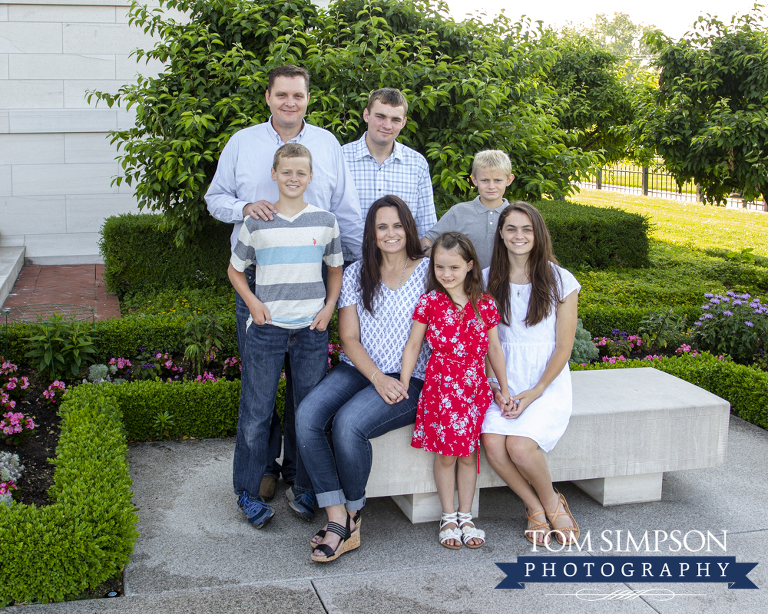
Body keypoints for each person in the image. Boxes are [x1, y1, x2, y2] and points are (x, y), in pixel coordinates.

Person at [206, 64, 363, 511]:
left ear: (307, 98)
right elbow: (215, 200)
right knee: (258, 394)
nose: (289, 102)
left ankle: (299, 476)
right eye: (281, 95)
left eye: (297, 95)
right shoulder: (243, 143)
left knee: (307, 397)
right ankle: (259, 478)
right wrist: (244, 206)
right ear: (269, 97)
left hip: (311, 287)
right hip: (260, 284)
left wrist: (349, 278)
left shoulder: (327, 145)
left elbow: (345, 212)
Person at [295, 195, 431, 562]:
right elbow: (349, 339)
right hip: (360, 369)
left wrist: (391, 381)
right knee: (307, 416)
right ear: (371, 233)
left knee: (349, 424)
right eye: (382, 227)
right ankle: (337, 514)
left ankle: (353, 514)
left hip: (411, 377)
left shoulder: (431, 272)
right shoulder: (357, 273)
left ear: (409, 227)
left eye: (397, 225)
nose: (390, 234)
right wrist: (375, 377)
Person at [227, 143, 343, 528]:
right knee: (256, 412)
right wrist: (253, 302)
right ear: (274, 174)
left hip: (311, 330)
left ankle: (305, 486)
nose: (293, 179)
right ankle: (246, 491)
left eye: (301, 173)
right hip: (267, 329)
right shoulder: (258, 221)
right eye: (286, 172)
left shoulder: (324, 220)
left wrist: (329, 308)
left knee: (307, 411)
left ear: (310, 177)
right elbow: (235, 270)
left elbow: (335, 269)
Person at [400, 232, 510, 549]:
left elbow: (495, 350)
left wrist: (503, 389)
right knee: (447, 455)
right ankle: (448, 516)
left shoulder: (485, 304)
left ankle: (466, 515)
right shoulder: (430, 302)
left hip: (474, 388)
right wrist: (405, 382)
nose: (446, 275)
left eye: (454, 268)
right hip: (441, 386)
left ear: (470, 266)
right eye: (439, 268)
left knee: (468, 454)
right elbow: (413, 345)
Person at [481, 201, 581, 546]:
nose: (519, 236)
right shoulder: (485, 279)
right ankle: (534, 507)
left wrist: (535, 391)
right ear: (501, 233)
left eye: (526, 229)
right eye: (511, 229)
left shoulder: (560, 280)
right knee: (493, 443)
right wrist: (496, 387)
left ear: (538, 234)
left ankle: (553, 503)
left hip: (544, 382)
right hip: (503, 379)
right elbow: (483, 344)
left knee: (521, 448)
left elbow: (562, 348)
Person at [342, 88, 437, 244]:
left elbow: (427, 228)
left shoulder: (417, 164)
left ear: (404, 123)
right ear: (366, 115)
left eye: (395, 120)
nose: (387, 125)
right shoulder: (340, 159)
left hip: (401, 264)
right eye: (380, 116)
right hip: (348, 263)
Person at [423, 150, 516, 269]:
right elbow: (427, 242)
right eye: (485, 180)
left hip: (506, 285)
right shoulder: (459, 212)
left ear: (509, 180)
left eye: (497, 180)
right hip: (466, 285)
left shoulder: (515, 215)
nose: (491, 186)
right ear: (474, 180)